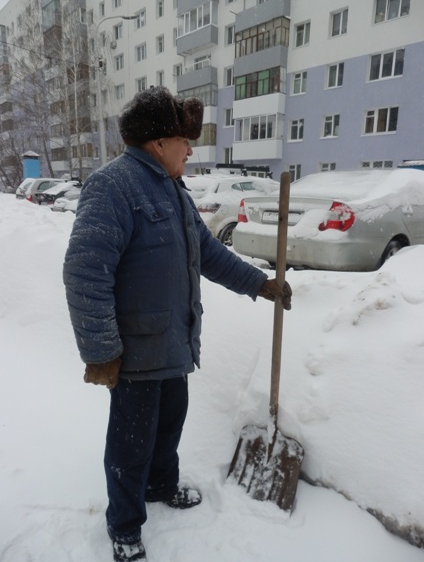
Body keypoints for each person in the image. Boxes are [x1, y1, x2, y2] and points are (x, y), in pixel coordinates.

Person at [63, 86, 292, 562]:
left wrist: (259, 284)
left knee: (169, 426)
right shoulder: (113, 186)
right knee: (130, 446)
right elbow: (85, 271)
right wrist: (102, 351)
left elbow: (207, 253)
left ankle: (161, 485)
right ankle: (124, 527)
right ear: (157, 142)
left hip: (173, 343)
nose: (191, 149)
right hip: (135, 353)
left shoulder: (173, 189)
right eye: (183, 141)